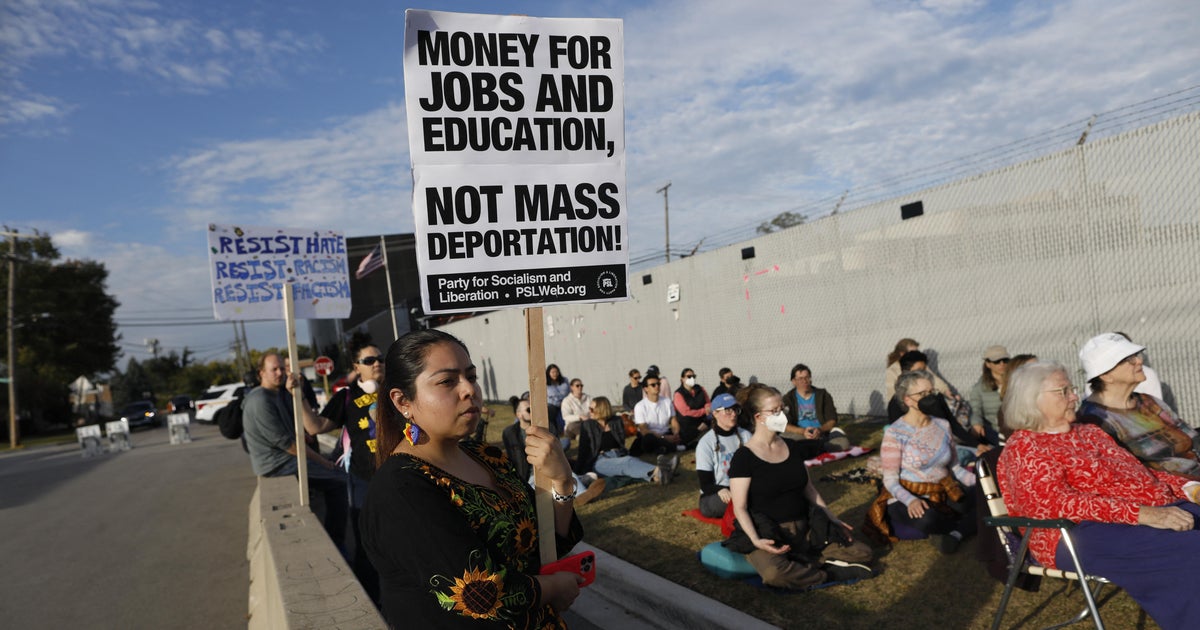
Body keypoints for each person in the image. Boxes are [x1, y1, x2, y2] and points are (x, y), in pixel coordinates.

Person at [360, 330, 585, 627]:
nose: (469, 390)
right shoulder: (401, 489)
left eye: (471, 376)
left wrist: (562, 482)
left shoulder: (487, 456)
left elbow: (547, 544)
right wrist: (554, 587)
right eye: (447, 381)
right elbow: (479, 594)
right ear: (403, 401)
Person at [996, 360, 1200, 630]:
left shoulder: (1089, 432)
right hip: (1073, 533)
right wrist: (1141, 514)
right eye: (1063, 391)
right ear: (1031, 400)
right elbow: (1055, 503)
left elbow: (1139, 474)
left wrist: (1187, 487)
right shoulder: (1025, 447)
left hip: (1138, 514)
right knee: (1189, 549)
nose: (1074, 397)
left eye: (1072, 389)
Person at [722, 383, 875, 588]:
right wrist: (756, 540)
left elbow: (809, 489)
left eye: (782, 409)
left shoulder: (791, 447)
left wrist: (832, 518)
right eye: (774, 411)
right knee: (774, 574)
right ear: (758, 417)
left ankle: (809, 563)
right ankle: (828, 574)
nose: (782, 415)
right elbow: (740, 507)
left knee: (864, 553)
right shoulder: (744, 457)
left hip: (806, 528)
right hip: (770, 534)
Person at [242, 353, 349, 547]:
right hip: (278, 465)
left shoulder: (276, 394)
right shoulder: (260, 401)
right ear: (261, 373)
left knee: (334, 475)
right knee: (339, 481)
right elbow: (289, 445)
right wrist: (323, 462)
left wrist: (295, 393)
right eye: (274, 369)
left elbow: (294, 429)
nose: (280, 373)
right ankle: (337, 543)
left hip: (285, 459)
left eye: (282, 368)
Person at [868, 370, 977, 553]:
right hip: (909, 495)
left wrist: (979, 483)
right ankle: (962, 528)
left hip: (944, 491)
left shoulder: (943, 425)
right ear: (908, 400)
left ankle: (955, 534)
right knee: (928, 519)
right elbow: (890, 480)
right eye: (923, 394)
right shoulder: (895, 433)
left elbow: (955, 467)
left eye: (931, 392)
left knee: (984, 498)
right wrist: (910, 501)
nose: (930, 398)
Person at [312, 343, 385, 602]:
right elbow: (317, 426)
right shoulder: (346, 396)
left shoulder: (397, 391)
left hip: (396, 478)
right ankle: (371, 599)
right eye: (369, 360)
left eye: (380, 358)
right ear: (357, 367)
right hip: (362, 479)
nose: (377, 363)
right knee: (366, 541)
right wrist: (297, 396)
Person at [1076, 333, 1200, 480]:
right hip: (1175, 488)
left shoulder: (1148, 401)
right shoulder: (1095, 420)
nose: (1139, 361)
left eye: (1136, 355)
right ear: (1106, 376)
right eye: (1128, 359)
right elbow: (1129, 473)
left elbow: (1193, 438)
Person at [887, 351, 991, 464]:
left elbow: (952, 424)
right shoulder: (897, 404)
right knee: (968, 456)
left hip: (943, 446)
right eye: (919, 370)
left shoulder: (935, 397)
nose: (923, 374)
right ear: (906, 373)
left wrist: (977, 445)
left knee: (986, 453)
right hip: (920, 455)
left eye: (924, 370)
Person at [504, 393, 606, 504]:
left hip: (551, 467)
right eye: (528, 410)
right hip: (531, 475)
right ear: (519, 415)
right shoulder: (510, 433)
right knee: (535, 492)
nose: (532, 412)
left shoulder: (547, 426)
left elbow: (556, 452)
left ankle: (583, 495)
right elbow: (514, 460)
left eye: (533, 409)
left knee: (565, 474)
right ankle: (583, 480)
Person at [576, 396, 672, 485]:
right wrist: (579, 471)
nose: (589, 411)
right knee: (627, 462)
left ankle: (657, 477)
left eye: (592, 409)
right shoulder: (587, 425)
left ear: (601, 409)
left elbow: (621, 443)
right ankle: (660, 470)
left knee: (629, 464)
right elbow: (583, 450)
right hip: (600, 460)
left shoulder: (616, 421)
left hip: (618, 454)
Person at [696, 393, 752, 517]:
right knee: (741, 501)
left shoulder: (746, 435)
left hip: (744, 488)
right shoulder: (706, 443)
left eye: (735, 410)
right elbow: (705, 484)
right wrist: (721, 489)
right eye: (728, 410)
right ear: (715, 413)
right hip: (716, 494)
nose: (733, 414)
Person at [780, 364, 850, 452]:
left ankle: (812, 447)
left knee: (843, 443)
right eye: (800, 378)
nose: (805, 381)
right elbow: (785, 425)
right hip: (800, 434)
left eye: (807, 377)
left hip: (822, 432)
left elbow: (832, 420)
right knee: (783, 439)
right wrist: (803, 431)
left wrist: (820, 430)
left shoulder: (823, 395)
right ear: (793, 381)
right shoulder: (788, 399)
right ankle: (818, 447)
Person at [630, 373, 684, 463]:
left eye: (658, 384)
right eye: (653, 385)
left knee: (687, 429)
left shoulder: (667, 401)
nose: (657, 386)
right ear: (646, 389)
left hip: (666, 432)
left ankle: (665, 448)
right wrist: (665, 438)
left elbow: (673, 420)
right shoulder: (640, 406)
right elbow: (644, 430)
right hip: (652, 436)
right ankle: (672, 447)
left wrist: (676, 434)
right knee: (648, 439)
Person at [885, 338, 952, 400]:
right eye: (912, 352)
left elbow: (934, 380)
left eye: (917, 351)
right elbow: (892, 395)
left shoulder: (920, 365)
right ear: (902, 354)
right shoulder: (892, 371)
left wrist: (946, 391)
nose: (916, 354)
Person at [968, 345, 1009, 445]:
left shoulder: (1016, 381)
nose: (1002, 364)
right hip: (995, 429)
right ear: (988, 364)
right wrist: (976, 423)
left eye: (1005, 360)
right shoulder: (979, 388)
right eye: (997, 361)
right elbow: (975, 410)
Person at [672, 367, 710, 446]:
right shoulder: (678, 394)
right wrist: (704, 411)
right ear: (682, 379)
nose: (692, 378)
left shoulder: (700, 389)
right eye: (689, 376)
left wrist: (707, 407)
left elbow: (708, 402)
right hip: (688, 423)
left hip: (703, 420)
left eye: (693, 376)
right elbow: (685, 412)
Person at [545, 363, 569, 436]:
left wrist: (563, 402)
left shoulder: (564, 380)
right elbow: (548, 397)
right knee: (549, 412)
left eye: (556, 372)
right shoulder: (545, 383)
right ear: (548, 373)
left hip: (565, 402)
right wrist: (558, 402)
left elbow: (568, 392)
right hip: (553, 404)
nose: (555, 374)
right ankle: (554, 432)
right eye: (552, 372)